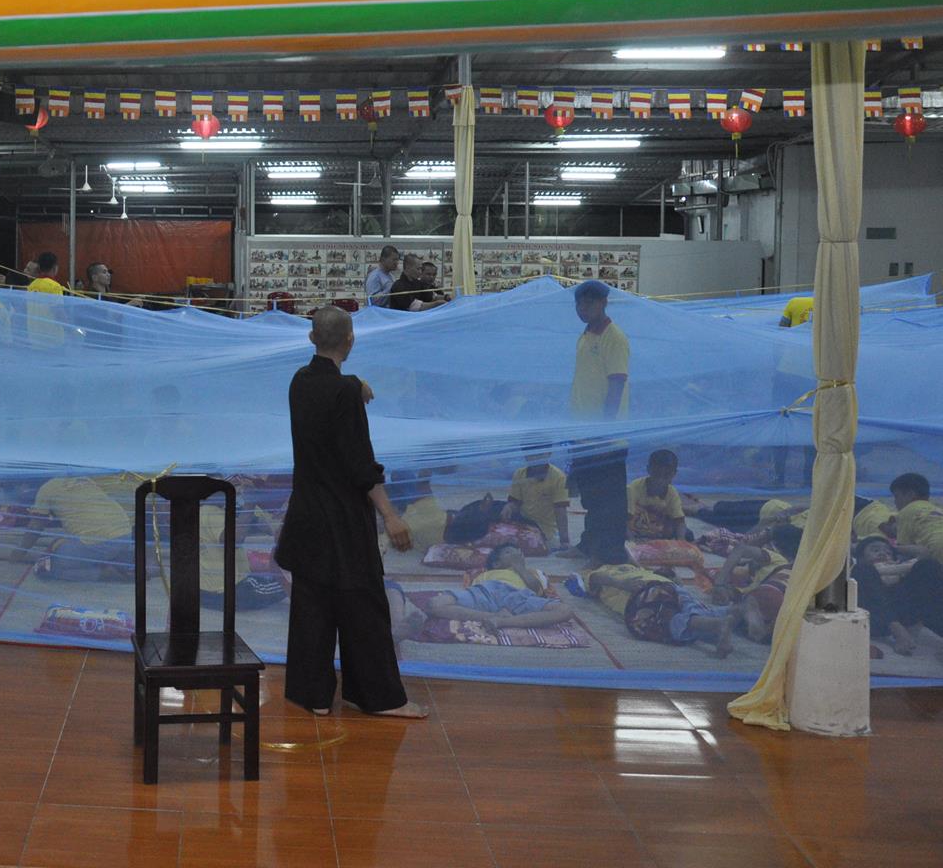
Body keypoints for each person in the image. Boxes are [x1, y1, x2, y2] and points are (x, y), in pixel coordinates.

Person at [275, 306, 425, 718]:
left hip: (307, 514)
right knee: (363, 605)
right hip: (343, 517)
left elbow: (324, 382)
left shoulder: (299, 382)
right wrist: (390, 515)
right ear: (351, 340)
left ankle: (312, 694)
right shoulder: (345, 393)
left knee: (312, 606)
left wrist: (354, 382)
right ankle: (377, 696)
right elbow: (360, 463)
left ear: (311, 338)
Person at [567, 280, 630, 565]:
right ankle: (589, 545)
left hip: (606, 436)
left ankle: (609, 553)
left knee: (610, 500)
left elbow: (616, 383)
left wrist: (605, 429)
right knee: (591, 497)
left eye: (589, 303)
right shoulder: (585, 335)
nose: (583, 309)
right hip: (583, 432)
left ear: (604, 303)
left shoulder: (614, 337)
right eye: (579, 304)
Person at [586, 558, 736, 657]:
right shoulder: (637, 568)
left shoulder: (601, 571)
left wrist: (621, 584)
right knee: (696, 609)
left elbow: (595, 577)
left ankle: (717, 624)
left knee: (663, 623)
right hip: (669, 586)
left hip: (645, 594)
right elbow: (673, 577)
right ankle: (738, 612)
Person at [417, 545, 573, 629]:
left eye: (517, 554)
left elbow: (536, 591)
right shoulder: (486, 574)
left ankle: (504, 622)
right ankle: (492, 617)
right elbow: (473, 591)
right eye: (508, 553)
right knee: (434, 604)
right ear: (496, 563)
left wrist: (520, 567)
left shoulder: (531, 572)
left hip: (519, 596)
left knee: (565, 610)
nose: (514, 555)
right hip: (488, 592)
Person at [852, 535, 943, 657]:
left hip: (903, 613)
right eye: (875, 550)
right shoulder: (859, 568)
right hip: (873, 617)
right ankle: (898, 631)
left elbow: (924, 553)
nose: (882, 553)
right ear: (860, 557)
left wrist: (894, 548)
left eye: (888, 552)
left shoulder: (902, 570)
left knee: (928, 565)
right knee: (864, 570)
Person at [628, 449, 687, 540]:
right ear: (649, 469)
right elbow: (625, 520)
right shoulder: (633, 488)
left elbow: (679, 521)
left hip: (659, 534)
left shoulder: (672, 493)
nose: (660, 479)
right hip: (636, 531)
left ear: (674, 473)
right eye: (657, 473)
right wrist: (632, 543)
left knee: (686, 534)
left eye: (666, 474)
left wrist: (681, 542)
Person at [891, 473, 943, 563]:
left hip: (937, 549)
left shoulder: (906, 511)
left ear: (910, 495)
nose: (895, 502)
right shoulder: (937, 509)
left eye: (896, 496)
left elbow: (904, 549)